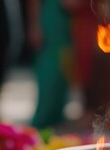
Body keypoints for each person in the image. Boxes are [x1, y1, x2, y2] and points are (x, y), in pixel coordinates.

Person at [27, 0, 73, 129]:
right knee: (50, 71)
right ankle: (41, 122)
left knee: (63, 71)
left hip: (65, 23)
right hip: (50, 21)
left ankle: (55, 121)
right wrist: (34, 26)